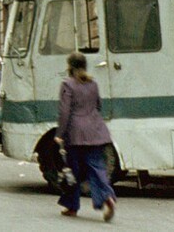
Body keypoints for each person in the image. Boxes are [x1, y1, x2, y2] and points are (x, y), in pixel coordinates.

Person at [55, 52, 117, 221]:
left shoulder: (67, 84)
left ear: (70, 66)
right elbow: (98, 105)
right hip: (96, 131)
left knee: (72, 171)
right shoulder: (93, 83)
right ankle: (107, 197)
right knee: (97, 168)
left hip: (75, 133)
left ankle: (72, 207)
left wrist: (60, 133)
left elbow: (65, 112)